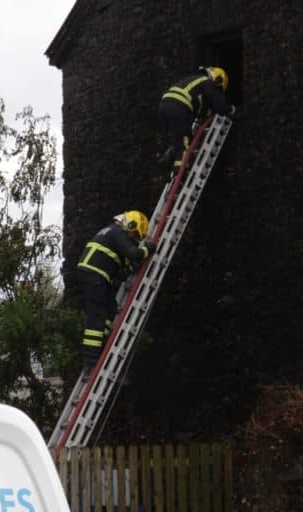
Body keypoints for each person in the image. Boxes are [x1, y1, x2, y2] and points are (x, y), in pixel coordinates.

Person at [75, 210, 156, 374]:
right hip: (95, 275)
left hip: (97, 276)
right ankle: (90, 363)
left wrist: (130, 266)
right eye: (134, 234)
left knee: (111, 309)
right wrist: (147, 250)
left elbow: (122, 262)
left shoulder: (112, 233)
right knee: (97, 316)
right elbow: (133, 253)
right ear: (130, 224)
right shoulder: (118, 231)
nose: (134, 239)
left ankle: (101, 345)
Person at [157, 66, 236, 174]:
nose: (218, 91)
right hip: (179, 107)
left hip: (164, 106)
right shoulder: (208, 82)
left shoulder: (196, 82)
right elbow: (220, 105)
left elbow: (202, 109)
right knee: (185, 141)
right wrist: (231, 109)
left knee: (178, 138)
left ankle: (168, 159)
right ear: (218, 79)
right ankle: (180, 171)